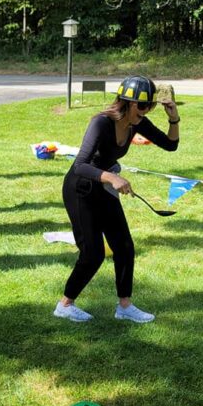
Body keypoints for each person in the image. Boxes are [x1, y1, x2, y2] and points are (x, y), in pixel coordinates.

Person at [53, 76, 180, 323]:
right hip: (80, 188)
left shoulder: (137, 123)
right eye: (142, 106)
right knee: (93, 254)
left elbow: (170, 144)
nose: (146, 112)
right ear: (127, 103)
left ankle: (124, 306)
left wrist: (173, 117)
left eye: (149, 107)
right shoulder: (101, 122)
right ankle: (65, 305)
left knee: (124, 246)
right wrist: (111, 177)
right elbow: (80, 165)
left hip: (104, 186)